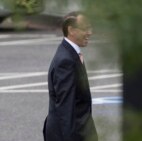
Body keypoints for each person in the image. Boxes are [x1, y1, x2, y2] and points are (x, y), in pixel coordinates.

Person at [43, 11, 98, 141]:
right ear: (71, 30)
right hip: (70, 134)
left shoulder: (69, 53)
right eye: (85, 28)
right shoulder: (65, 61)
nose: (90, 32)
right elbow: (66, 108)